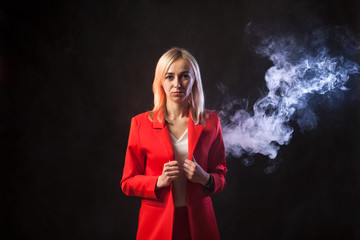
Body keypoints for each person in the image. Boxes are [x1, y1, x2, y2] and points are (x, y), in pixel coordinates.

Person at [120, 47, 227, 240]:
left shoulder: (211, 122)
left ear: (194, 80)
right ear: (160, 80)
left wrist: (205, 178)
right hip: (156, 225)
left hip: (200, 223)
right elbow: (127, 182)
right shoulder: (140, 124)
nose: (177, 84)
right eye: (169, 76)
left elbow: (220, 176)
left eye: (184, 76)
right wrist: (158, 181)